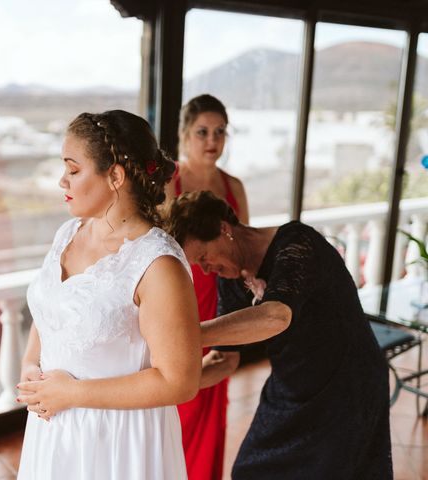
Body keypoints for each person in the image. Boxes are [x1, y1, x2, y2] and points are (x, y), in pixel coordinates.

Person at [15, 110, 202, 480]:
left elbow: (179, 381)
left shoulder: (157, 264)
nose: (61, 180)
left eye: (73, 169)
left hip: (117, 445)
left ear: (115, 175)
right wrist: (30, 363)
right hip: (54, 432)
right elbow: (52, 311)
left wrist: (72, 395)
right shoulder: (69, 233)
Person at [166, 190, 392, 480]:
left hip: (345, 384)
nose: (205, 269)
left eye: (203, 257)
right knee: (250, 471)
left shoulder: (297, 242)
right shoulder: (232, 278)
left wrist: (181, 335)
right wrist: (168, 388)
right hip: (292, 386)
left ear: (224, 229)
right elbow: (224, 359)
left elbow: (276, 315)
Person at [165, 93, 248, 480]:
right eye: (202, 132)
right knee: (177, 397)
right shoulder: (169, 182)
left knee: (212, 397)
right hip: (180, 296)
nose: (212, 141)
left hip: (222, 298)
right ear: (185, 135)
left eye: (219, 132)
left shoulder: (234, 185)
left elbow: (244, 248)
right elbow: (160, 248)